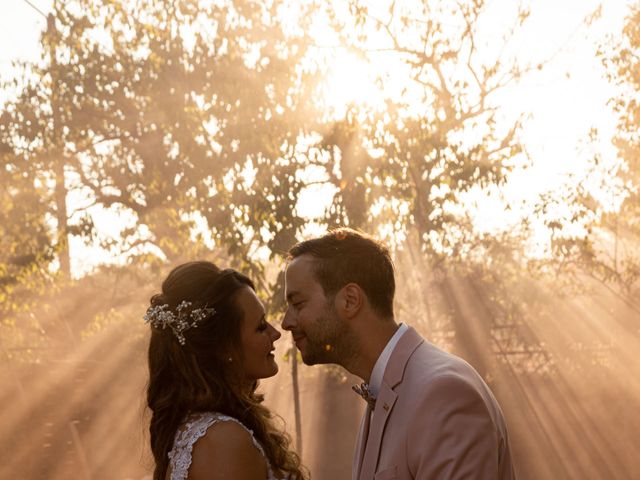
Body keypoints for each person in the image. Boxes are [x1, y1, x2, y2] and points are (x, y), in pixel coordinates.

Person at [282, 228, 516, 480]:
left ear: (350, 300)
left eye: (298, 304)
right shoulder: (382, 390)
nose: (286, 322)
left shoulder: (443, 393)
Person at [145, 261, 307, 480]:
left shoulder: (206, 430)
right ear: (223, 348)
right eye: (260, 326)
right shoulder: (224, 441)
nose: (275, 333)